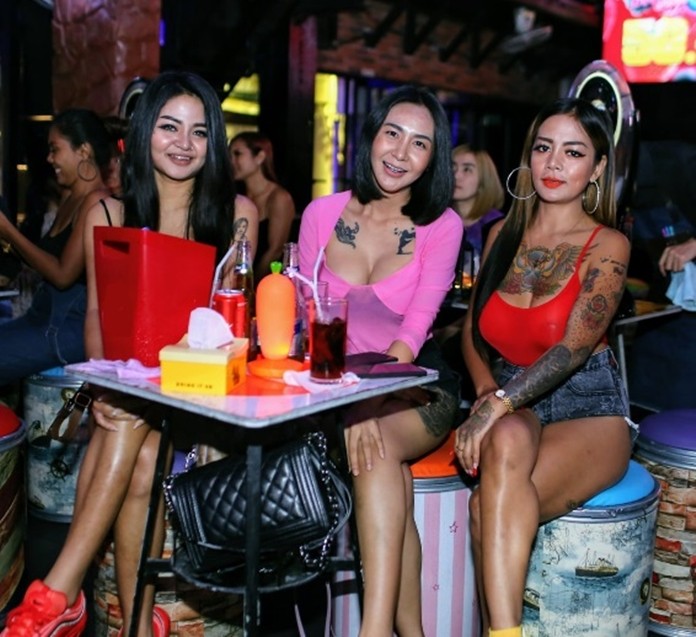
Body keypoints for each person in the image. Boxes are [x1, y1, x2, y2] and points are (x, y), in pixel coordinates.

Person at [0, 71, 258, 637]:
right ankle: (138, 624)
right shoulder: (110, 215)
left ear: (213, 142)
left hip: (206, 395)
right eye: (169, 127)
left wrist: (134, 390)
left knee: (130, 418)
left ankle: (59, 590)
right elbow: (95, 317)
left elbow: (231, 325)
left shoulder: (237, 214)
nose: (184, 143)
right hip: (133, 396)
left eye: (199, 131)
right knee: (136, 442)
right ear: (143, 134)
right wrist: (105, 386)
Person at [455, 97, 636, 637]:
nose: (554, 163)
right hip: (512, 400)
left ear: (597, 168)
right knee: (507, 438)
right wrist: (486, 392)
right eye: (543, 148)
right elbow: (472, 332)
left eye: (573, 153)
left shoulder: (608, 244)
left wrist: (497, 405)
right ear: (528, 157)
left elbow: (574, 348)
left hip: (588, 407)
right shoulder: (501, 235)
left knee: (485, 508)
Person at [298, 85, 463, 636]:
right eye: (392, 133)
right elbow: (308, 324)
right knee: (387, 476)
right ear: (370, 136)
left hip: (415, 384)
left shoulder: (442, 226)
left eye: (419, 143)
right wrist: (349, 406)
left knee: (375, 452)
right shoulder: (321, 215)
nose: (400, 152)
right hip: (333, 388)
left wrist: (365, 407)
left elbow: (413, 334)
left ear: (432, 158)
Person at [0, 108, 112, 386]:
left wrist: (9, 231)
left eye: (55, 149)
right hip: (41, 318)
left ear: (83, 151)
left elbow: (63, 275)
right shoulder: (71, 198)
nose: (49, 159)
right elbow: (43, 261)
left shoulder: (97, 201)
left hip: (66, 329)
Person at [229, 131, 295, 278]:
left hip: (267, 282)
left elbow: (275, 250)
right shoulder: (236, 196)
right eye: (230, 155)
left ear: (260, 157)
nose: (231, 161)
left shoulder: (279, 198)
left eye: (237, 154)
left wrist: (250, 283)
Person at [451, 143, 505, 258]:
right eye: (452, 167)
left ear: (484, 179)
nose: (456, 176)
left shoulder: (497, 225)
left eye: (467, 169)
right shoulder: (437, 218)